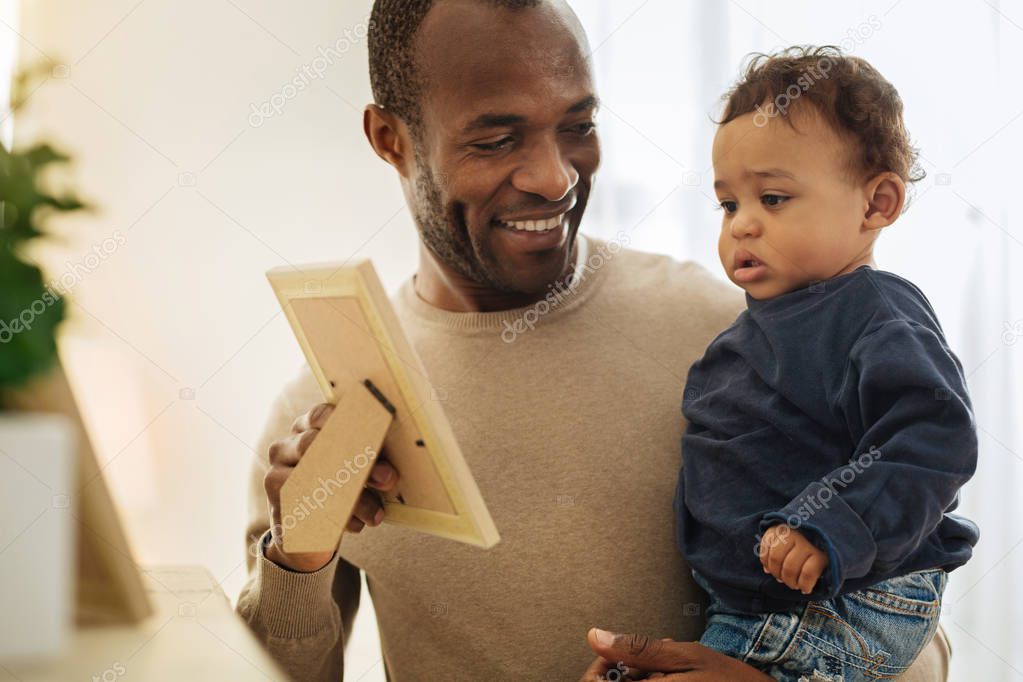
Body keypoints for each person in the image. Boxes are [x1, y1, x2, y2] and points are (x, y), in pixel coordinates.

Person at [236, 3, 952, 680]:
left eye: (577, 124)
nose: (555, 177)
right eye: (495, 139)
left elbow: (914, 632)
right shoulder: (321, 416)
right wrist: (296, 559)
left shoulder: (729, 333)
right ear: (389, 139)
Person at [672, 47, 978, 681]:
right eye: (728, 205)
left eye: (774, 198)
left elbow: (932, 441)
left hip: (850, 599)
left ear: (876, 205)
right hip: (764, 602)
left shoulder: (874, 313)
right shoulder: (749, 330)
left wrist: (828, 526)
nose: (743, 226)